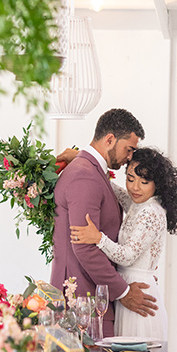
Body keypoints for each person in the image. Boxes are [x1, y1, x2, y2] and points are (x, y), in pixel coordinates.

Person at [70, 146, 177, 352]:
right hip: (131, 289)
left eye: (144, 181)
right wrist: (82, 160)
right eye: (131, 177)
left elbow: (127, 255)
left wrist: (96, 237)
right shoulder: (139, 204)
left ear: (158, 184)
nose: (134, 187)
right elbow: (115, 192)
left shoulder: (151, 213)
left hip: (139, 297)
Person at [50, 109, 159, 336]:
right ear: (110, 139)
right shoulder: (85, 175)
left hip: (91, 299)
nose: (130, 157)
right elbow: (85, 247)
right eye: (129, 149)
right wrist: (124, 292)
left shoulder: (89, 170)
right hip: (85, 303)